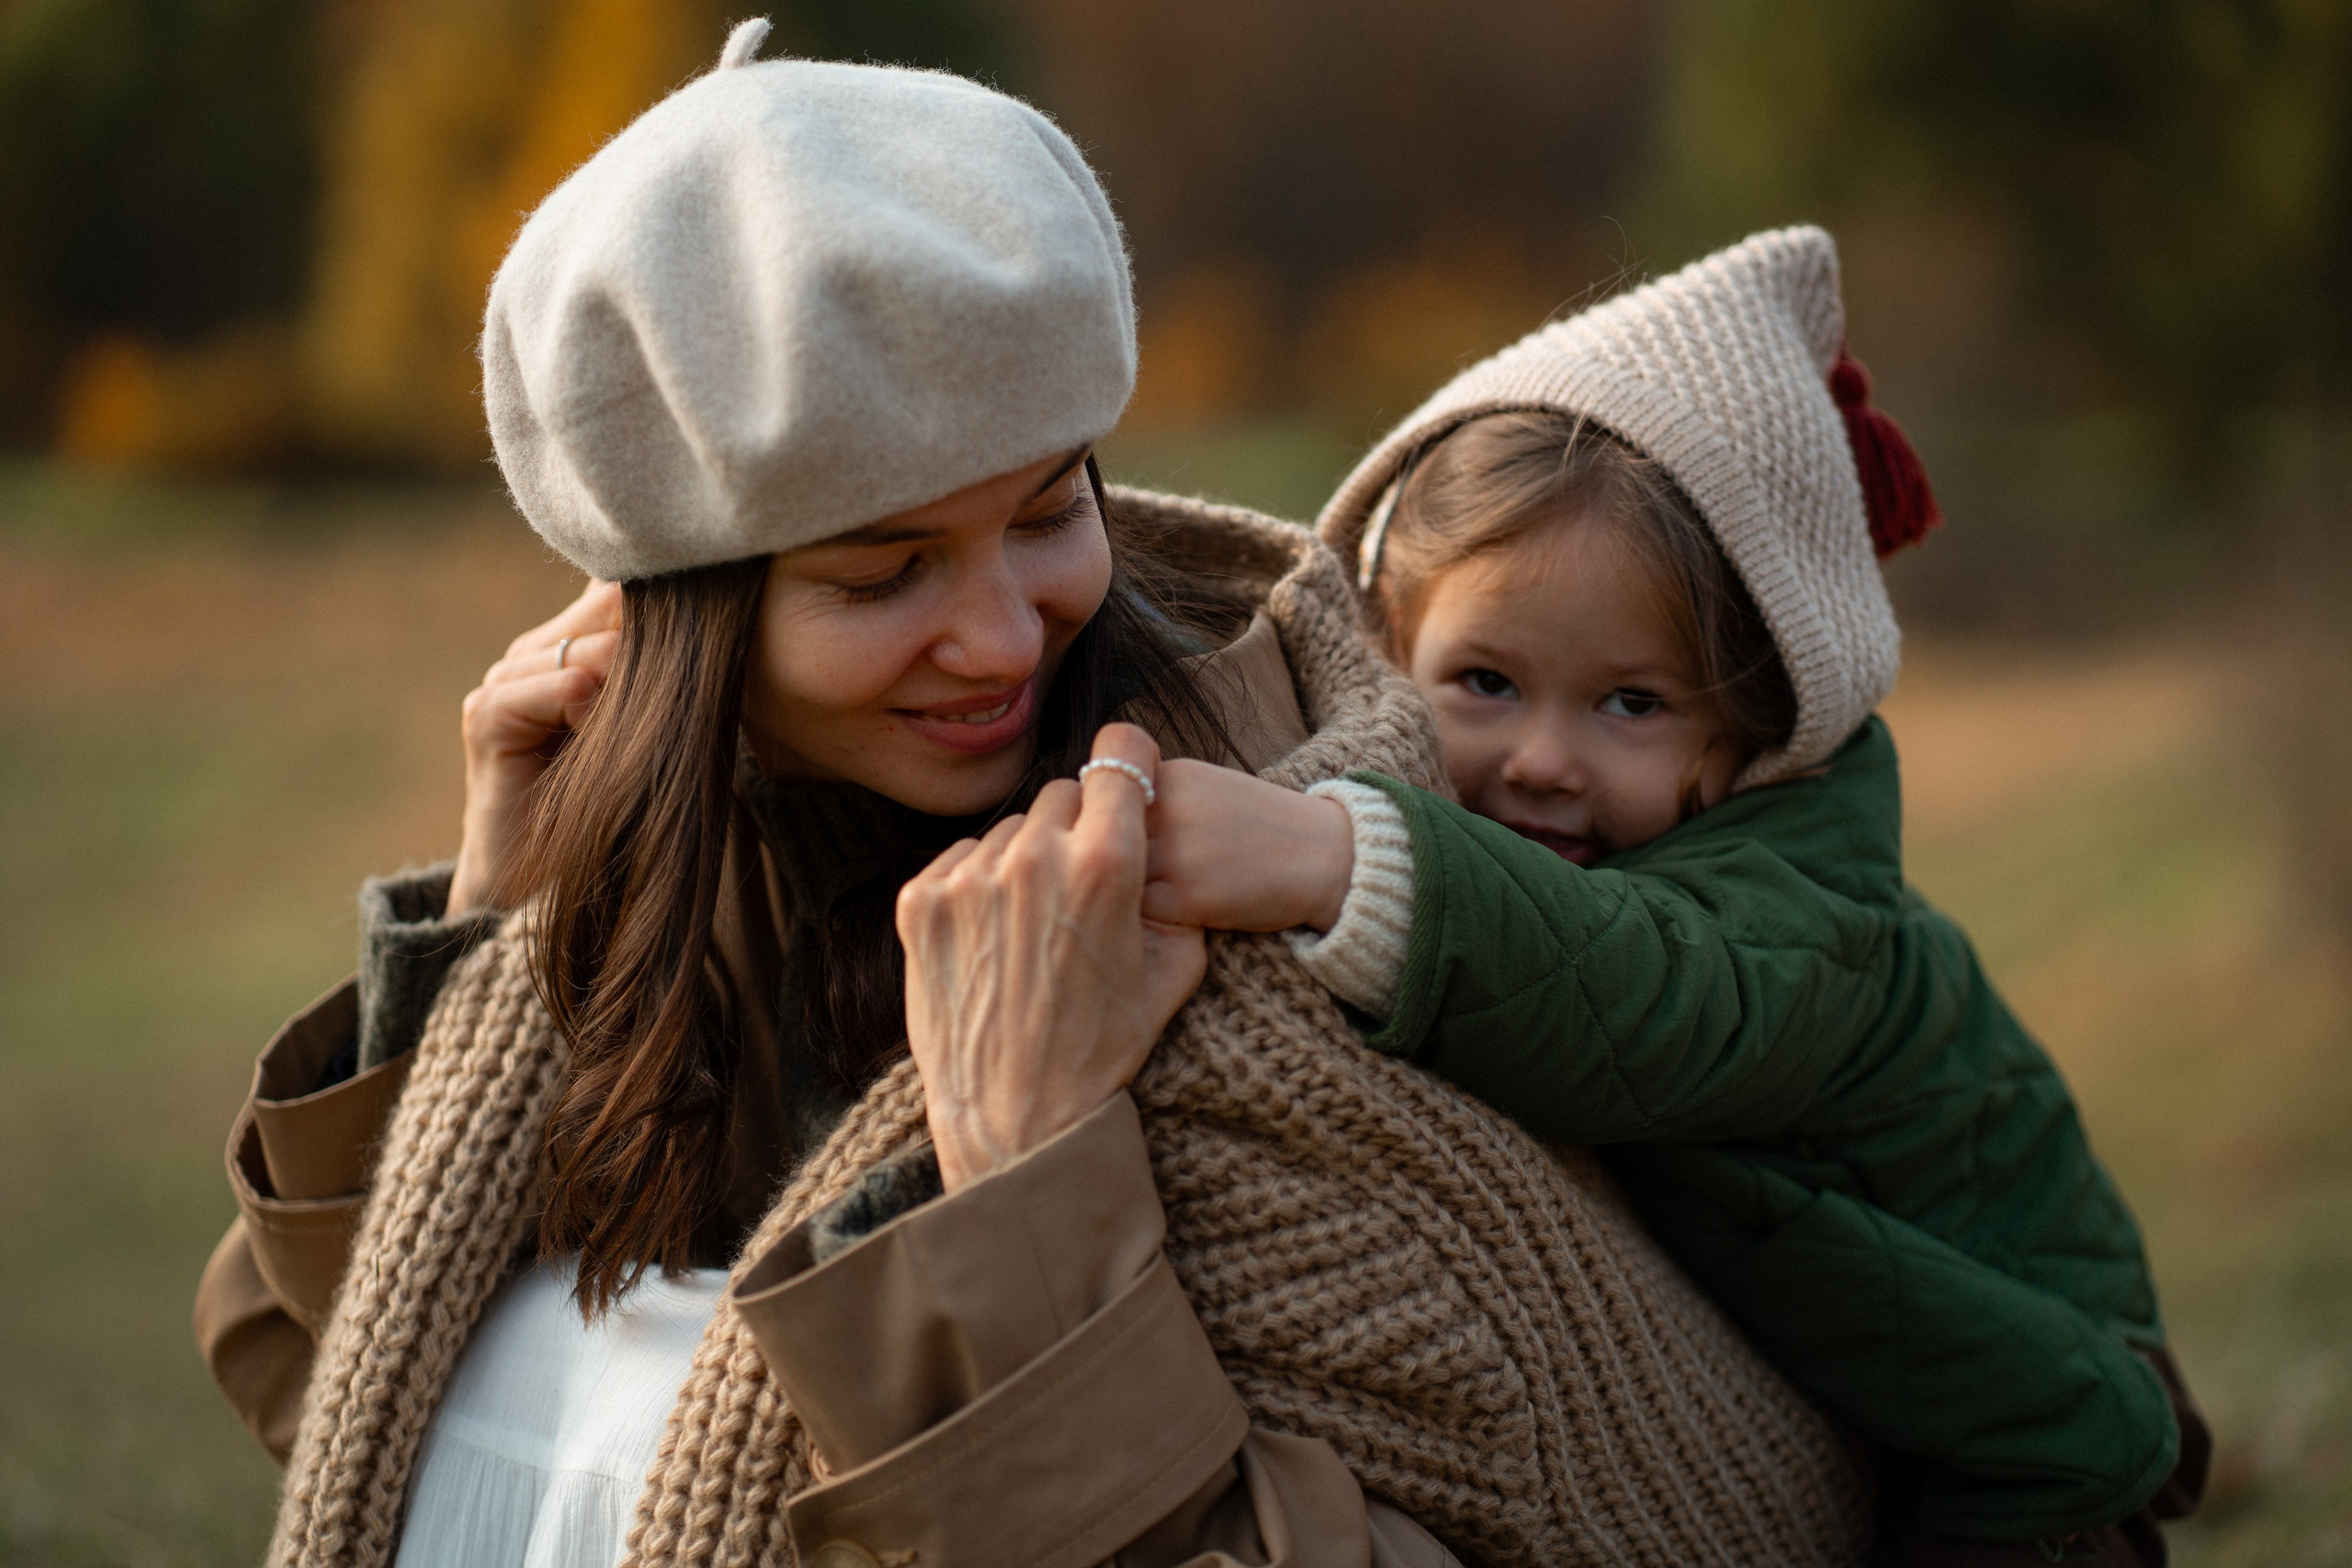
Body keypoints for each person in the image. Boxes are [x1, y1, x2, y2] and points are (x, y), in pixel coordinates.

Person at [191, 31, 1880, 1568]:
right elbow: (369, 1411)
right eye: (884, 575)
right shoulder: (699, 874)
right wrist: (501, 940)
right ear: (681, 625)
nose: (1003, 635)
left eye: (1050, 512)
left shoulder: (1249, 898)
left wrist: (1028, 1192)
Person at [1137, 229, 2211, 1567]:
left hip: (2029, 1405)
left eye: (1631, 704)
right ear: (1390, 643)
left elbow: (1644, 995)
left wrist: (1338, 861)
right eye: (1484, 682)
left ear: (1749, 732)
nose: (1541, 759)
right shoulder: (1555, 801)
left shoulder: (1798, 905)